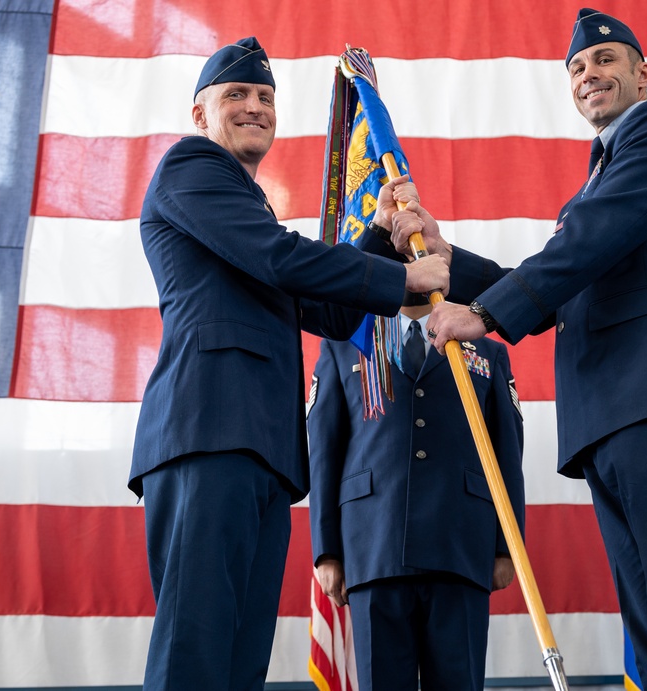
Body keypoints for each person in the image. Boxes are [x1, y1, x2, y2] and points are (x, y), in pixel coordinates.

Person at [387, 9, 647, 690]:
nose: (588, 74)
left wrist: (482, 312)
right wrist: (448, 257)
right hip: (609, 417)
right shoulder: (594, 184)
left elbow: (589, 240)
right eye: (575, 68)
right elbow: (567, 282)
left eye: (604, 61)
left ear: (641, 73)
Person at [128, 37, 448, 691]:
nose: (254, 107)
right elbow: (280, 259)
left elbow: (325, 312)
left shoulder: (245, 209)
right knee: (196, 650)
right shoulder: (191, 168)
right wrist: (407, 279)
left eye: (265, 97)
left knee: (240, 661)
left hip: (264, 450)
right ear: (199, 115)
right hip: (206, 434)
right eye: (237, 95)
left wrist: (382, 240)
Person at [307, 291, 525, 691]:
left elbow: (506, 454)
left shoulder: (487, 353)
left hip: (460, 546)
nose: (412, 258)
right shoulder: (345, 344)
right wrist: (327, 550)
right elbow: (325, 452)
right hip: (373, 547)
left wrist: (505, 547)